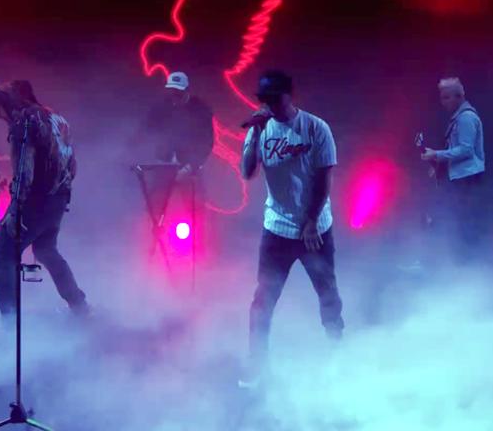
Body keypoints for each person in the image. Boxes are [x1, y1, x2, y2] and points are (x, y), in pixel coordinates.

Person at [239, 70, 344, 387]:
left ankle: (337, 354)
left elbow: (324, 180)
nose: (269, 104)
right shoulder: (261, 129)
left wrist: (311, 221)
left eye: (275, 98)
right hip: (277, 229)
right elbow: (247, 172)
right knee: (263, 299)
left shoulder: (315, 128)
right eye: (264, 99)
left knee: (327, 291)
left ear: (289, 95)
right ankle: (258, 365)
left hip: (315, 229)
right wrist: (255, 133)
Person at [0, 80, 88, 316]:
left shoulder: (23, 122)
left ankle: (9, 322)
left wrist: (15, 210)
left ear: (9, 105)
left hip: (35, 201)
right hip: (58, 199)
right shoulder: (58, 119)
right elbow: (72, 165)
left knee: (4, 255)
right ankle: (79, 306)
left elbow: (24, 172)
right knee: (46, 250)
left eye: (0, 110)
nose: (0, 117)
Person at [420, 77, 486, 254]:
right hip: (461, 176)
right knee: (459, 220)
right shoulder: (459, 118)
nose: (443, 102)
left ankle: (466, 258)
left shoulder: (466, 118)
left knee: (464, 221)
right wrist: (438, 164)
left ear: (458, 96)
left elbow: (466, 150)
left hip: (467, 177)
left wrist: (437, 155)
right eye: (442, 97)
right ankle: (460, 256)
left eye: (446, 97)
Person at [143, 71, 215, 182]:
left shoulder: (200, 109)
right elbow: (150, 131)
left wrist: (191, 166)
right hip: (164, 164)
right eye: (172, 90)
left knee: (191, 191)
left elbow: (207, 141)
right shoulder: (162, 107)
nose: (175, 94)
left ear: (186, 90)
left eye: (178, 91)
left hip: (190, 167)